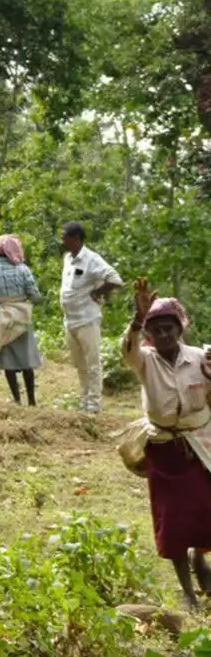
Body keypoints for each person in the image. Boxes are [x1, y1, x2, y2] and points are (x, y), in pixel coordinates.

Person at [120, 281, 211, 608]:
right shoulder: (143, 360)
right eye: (156, 329)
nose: (164, 335)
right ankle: (187, 592)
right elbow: (126, 349)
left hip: (201, 444)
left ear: (180, 328)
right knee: (172, 520)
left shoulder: (200, 358)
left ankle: (200, 561)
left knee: (204, 511)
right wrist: (137, 318)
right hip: (164, 449)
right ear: (149, 334)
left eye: (169, 328)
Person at [60, 222, 124, 414]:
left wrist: (98, 292)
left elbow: (115, 279)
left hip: (87, 319)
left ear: (76, 239)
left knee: (92, 363)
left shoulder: (92, 259)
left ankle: (95, 405)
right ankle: (85, 401)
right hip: (70, 320)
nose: (62, 241)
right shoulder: (68, 258)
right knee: (80, 364)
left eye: (65, 237)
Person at [0, 234, 43, 405]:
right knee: (26, 358)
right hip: (21, 315)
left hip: (1, 317)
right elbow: (35, 296)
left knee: (7, 360)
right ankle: (32, 400)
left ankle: (16, 399)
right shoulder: (23, 269)